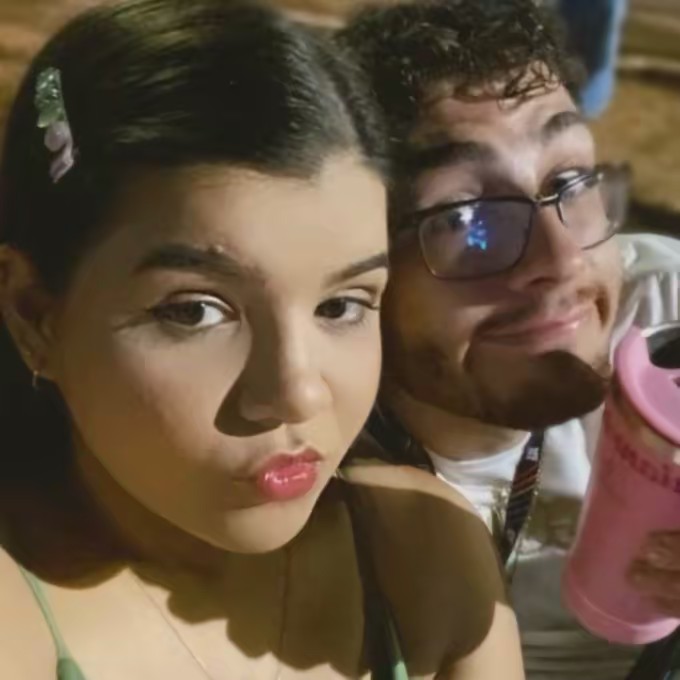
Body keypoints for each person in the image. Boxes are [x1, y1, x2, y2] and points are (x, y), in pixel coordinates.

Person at [0, 0, 525, 678]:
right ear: (34, 316)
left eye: (341, 305)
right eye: (195, 312)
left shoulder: (426, 557)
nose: (297, 392)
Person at [339, 1, 680, 678]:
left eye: (570, 183)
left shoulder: (665, 316)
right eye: (466, 218)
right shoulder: (308, 453)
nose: (563, 260)